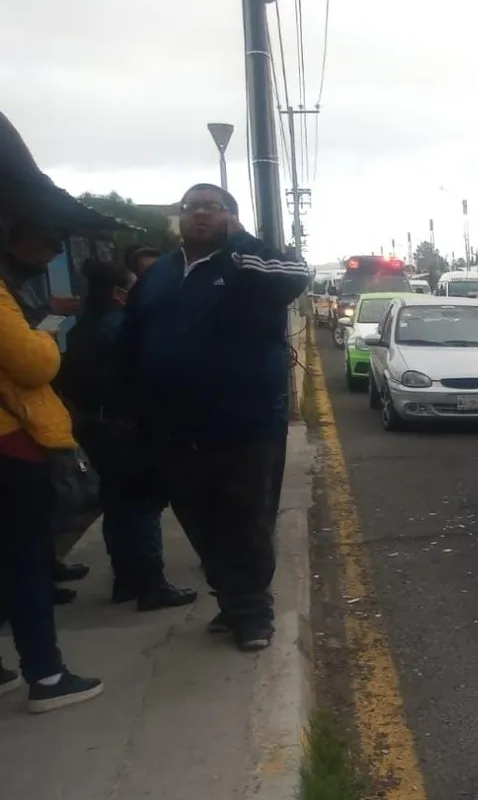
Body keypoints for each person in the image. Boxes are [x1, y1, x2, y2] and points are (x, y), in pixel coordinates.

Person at [116, 184, 309, 651]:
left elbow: (294, 274)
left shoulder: (246, 264)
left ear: (230, 216)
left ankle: (252, 613)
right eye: (190, 208)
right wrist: (126, 407)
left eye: (211, 207)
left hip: (244, 427)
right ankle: (230, 600)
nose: (199, 215)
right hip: (174, 431)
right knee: (200, 522)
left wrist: (240, 240)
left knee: (244, 522)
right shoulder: (159, 275)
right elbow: (131, 342)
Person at [0, 215, 105, 712]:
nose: (46, 256)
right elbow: (33, 362)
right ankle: (45, 674)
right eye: (44, 245)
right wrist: (43, 334)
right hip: (11, 444)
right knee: (25, 562)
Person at [59, 259, 197, 611]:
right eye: (136, 287)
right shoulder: (123, 329)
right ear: (121, 293)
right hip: (129, 431)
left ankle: (126, 581)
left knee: (117, 507)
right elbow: (141, 381)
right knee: (144, 506)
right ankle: (151, 584)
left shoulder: (80, 329)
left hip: (97, 430)